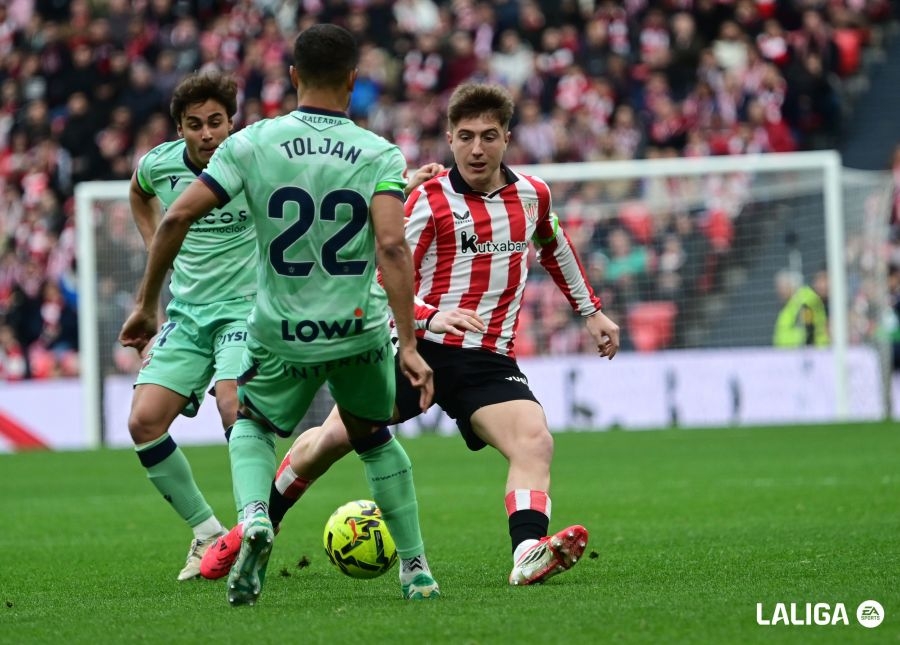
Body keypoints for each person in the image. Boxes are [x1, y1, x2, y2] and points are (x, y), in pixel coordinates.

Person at [202, 81, 621, 587]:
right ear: (449, 137)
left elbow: (554, 245)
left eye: (489, 136)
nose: (477, 149)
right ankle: (254, 527)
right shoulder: (428, 199)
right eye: (466, 137)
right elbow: (378, 278)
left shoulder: (533, 195)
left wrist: (591, 312)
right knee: (328, 443)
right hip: (412, 349)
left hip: (485, 358)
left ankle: (527, 551)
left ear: (507, 138)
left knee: (535, 441)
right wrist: (428, 317)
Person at [120, 23, 441, 606]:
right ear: (353, 79)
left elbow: (176, 218)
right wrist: (411, 345)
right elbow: (393, 248)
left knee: (252, 424)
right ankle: (416, 569)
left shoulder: (251, 144)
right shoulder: (380, 152)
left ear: (293, 76)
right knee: (372, 437)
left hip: (280, 330)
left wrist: (145, 304)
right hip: (358, 330)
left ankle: (253, 517)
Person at [121, 70, 250, 581]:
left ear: (231, 123)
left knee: (232, 403)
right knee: (144, 422)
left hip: (246, 310)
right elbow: (138, 192)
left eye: (216, 122)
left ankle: (255, 526)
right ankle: (207, 533)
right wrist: (157, 244)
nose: (207, 134)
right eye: (195, 124)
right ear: (180, 129)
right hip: (189, 314)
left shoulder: (253, 159)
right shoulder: (160, 164)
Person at [772, 268, 828, 347]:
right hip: (793, 351)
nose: (779, 291)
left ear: (791, 286)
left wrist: (808, 348)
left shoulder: (805, 302)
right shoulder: (792, 303)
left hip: (810, 351)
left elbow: (809, 328)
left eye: (782, 287)